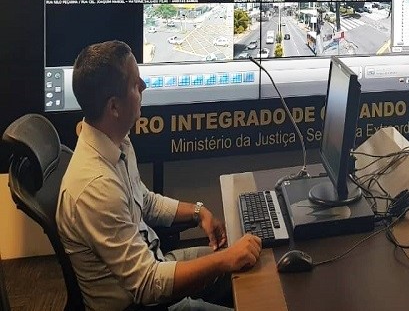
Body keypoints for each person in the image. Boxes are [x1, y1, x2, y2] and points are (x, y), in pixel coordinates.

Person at [57, 41, 262, 310]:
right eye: (135, 83)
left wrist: (198, 212)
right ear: (114, 107)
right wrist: (224, 260)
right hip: (142, 301)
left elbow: (146, 202)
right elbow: (147, 285)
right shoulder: (96, 187)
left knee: (254, 269)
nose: (144, 87)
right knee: (239, 268)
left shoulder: (115, 142)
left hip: (157, 262)